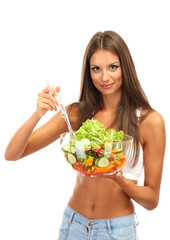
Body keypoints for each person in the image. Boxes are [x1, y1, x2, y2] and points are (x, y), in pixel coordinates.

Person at [5, 30, 166, 240]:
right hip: (73, 224)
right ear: (88, 72)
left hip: (116, 231)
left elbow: (152, 200)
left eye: (113, 67)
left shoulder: (149, 121)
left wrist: (120, 180)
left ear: (125, 67)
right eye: (96, 69)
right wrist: (38, 114)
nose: (104, 77)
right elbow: (12, 154)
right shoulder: (76, 113)